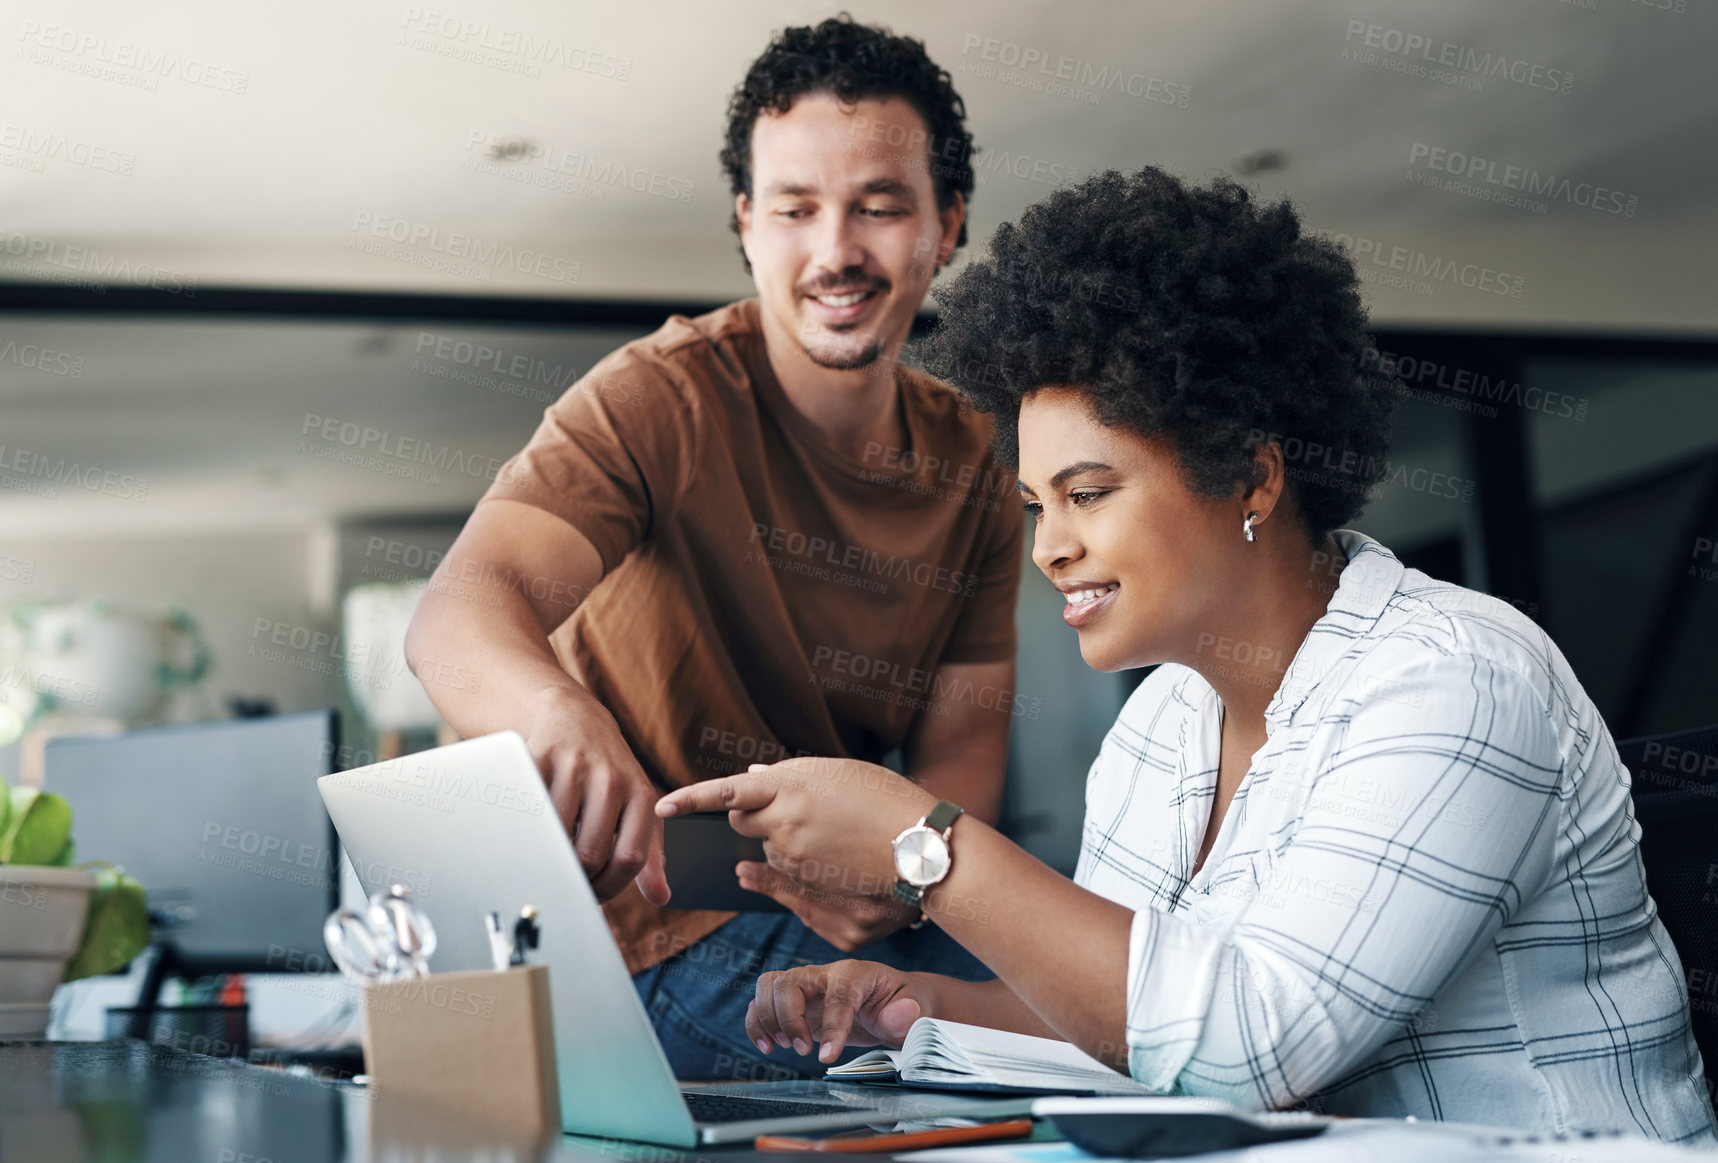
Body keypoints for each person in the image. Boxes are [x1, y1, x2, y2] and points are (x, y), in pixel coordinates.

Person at [656, 167, 1718, 1140]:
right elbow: (1136, 1030)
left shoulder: (1455, 677)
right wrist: (913, 1006)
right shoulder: (1165, 721)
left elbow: (1246, 1050)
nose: (1049, 545)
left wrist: (917, 839)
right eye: (1034, 504)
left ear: (1251, 478)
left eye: (1087, 492)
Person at [405, 16, 1022, 1080]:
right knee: (1001, 1044)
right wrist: (559, 710)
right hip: (635, 928)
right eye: (795, 210)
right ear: (747, 224)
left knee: (1082, 991)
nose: (835, 251)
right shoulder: (661, 395)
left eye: (878, 207)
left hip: (837, 909)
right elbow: (456, 614)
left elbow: (960, 755)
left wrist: (907, 876)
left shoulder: (973, 459)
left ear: (944, 226)